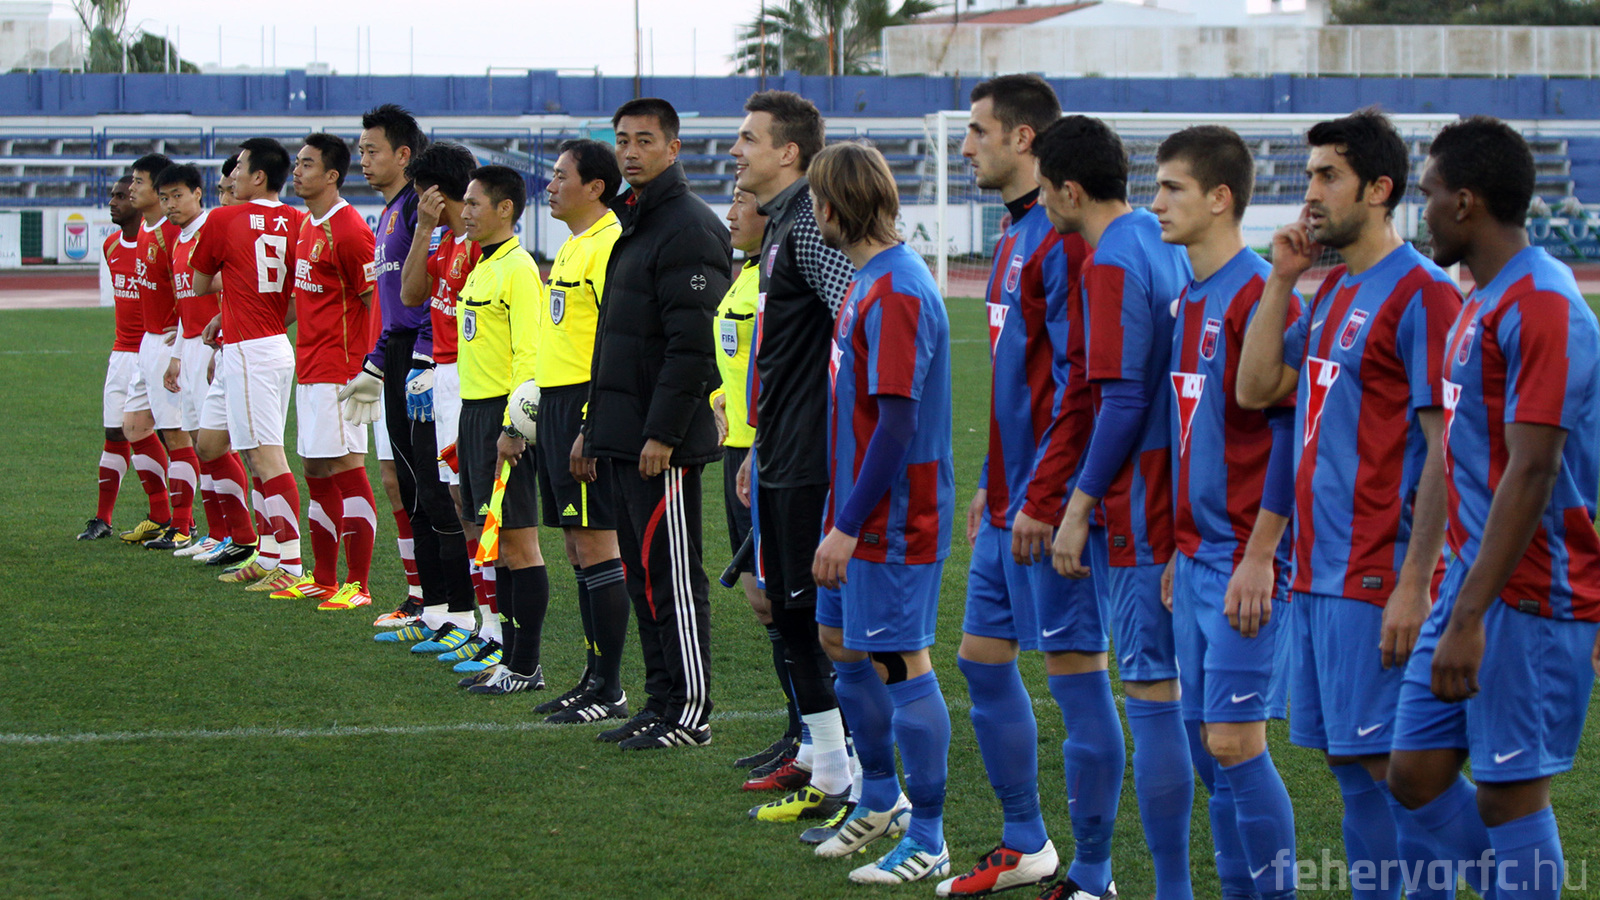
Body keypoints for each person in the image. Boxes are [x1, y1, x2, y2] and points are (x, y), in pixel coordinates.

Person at [1236, 108, 1462, 900]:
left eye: (1328, 176)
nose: (1310, 193)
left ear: (1378, 189)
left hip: (1378, 573)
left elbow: (1446, 448)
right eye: (1309, 176)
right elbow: (1257, 389)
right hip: (1319, 574)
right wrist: (1280, 279)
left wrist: (1415, 580)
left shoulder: (1424, 294)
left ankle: (1516, 877)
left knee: (1402, 772)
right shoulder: (1331, 290)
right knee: (1352, 767)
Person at [1385, 115, 1600, 900]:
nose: (1423, 211)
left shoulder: (1543, 303)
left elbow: (1534, 470)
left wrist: (1470, 617)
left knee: (1510, 798)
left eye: (1430, 194)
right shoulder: (1483, 298)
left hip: (1530, 591)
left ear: (1466, 202)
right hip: (1470, 583)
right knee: (1414, 774)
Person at [938, 75, 1118, 900]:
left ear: (1022, 139)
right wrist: (991, 482)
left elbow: (1084, 385)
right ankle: (1025, 843)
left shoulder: (1067, 241)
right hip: (1009, 501)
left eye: (977, 130)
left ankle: (1095, 876)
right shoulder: (1015, 236)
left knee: (1076, 677)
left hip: (1052, 506)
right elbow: (1016, 382)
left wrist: (1047, 499)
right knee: (981, 661)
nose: (965, 146)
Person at [1037, 114, 1197, 900]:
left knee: (1154, 697)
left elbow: (1122, 400)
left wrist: (1078, 507)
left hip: (1139, 506)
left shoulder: (1110, 260)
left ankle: (1169, 887)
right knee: (1167, 695)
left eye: (1045, 189)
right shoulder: (1159, 244)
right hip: (1174, 491)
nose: (1041, 203)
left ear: (1070, 190)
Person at [1152, 125, 1299, 900]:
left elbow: (1292, 438)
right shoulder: (1190, 296)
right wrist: (1181, 545)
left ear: (1219, 198)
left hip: (1247, 559)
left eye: (1171, 187)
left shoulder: (1259, 295)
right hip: (1198, 557)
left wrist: (1260, 554)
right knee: (1209, 751)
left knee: (1238, 744)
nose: (1156, 202)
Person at [807, 141, 955, 886]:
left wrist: (848, 524)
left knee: (901, 660)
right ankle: (881, 798)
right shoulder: (867, 280)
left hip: (893, 517)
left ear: (834, 207)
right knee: (839, 640)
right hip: (857, 504)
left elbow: (897, 424)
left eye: (815, 202)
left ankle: (929, 836)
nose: (813, 214)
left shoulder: (897, 288)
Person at [576, 97, 728, 750]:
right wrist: (595, 426)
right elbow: (616, 341)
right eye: (622, 140)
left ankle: (690, 713)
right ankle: (660, 702)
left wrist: (663, 432)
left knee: (673, 577)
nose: (630, 151)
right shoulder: (636, 222)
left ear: (673, 148)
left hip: (659, 443)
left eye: (644, 140)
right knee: (643, 576)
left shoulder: (688, 226)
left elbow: (693, 347)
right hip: (626, 434)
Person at [731, 89, 860, 815]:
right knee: (784, 608)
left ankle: (839, 772)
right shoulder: (781, 221)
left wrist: (819, 427)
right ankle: (818, 755)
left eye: (749, 139)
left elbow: (858, 315)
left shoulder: (809, 223)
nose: (735, 150)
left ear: (788, 152)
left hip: (810, 456)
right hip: (780, 446)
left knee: (803, 613)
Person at [342, 104, 476, 634]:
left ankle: (457, 610)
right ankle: (431, 603)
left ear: (403, 155)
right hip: (400, 353)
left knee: (436, 488)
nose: (363, 159)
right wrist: (378, 361)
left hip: (426, 357)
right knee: (412, 484)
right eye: (360, 150)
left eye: (371, 150)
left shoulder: (428, 215)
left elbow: (428, 303)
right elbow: (403, 298)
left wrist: (414, 356)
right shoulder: (394, 214)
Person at [527, 139, 631, 725]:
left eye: (561, 176)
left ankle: (609, 687)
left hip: (587, 407)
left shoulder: (609, 244)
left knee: (596, 543)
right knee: (575, 544)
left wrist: (591, 423)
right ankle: (593, 679)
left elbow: (614, 343)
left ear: (595, 187)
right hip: (557, 405)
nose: (550, 185)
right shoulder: (573, 245)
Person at [397, 141, 498, 672]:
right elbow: (412, 295)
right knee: (456, 505)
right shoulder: (447, 241)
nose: (416, 202)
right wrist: (422, 231)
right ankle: (471, 621)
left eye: (420, 194)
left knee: (479, 509)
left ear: (436, 192)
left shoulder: (483, 249)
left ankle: (494, 630)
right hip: (444, 378)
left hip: (471, 381)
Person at [189, 137, 308, 592]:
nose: (231, 175)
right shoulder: (296, 220)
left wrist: (235, 281)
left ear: (258, 176)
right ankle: (269, 552)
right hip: (268, 343)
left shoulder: (223, 218)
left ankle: (290, 562)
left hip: (250, 351)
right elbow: (294, 291)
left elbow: (200, 283)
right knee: (222, 445)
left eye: (238, 167)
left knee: (266, 456)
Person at [451, 165, 550, 696]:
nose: (464, 212)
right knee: (495, 543)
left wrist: (513, 425)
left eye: (473, 203)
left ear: (505, 208)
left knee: (517, 544)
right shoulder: (482, 266)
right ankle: (510, 661)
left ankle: (526, 667)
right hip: (475, 415)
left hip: (502, 417)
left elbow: (529, 356)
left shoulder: (518, 270)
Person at [712, 189, 801, 773]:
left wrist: (761, 437)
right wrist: (720, 398)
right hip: (737, 452)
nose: (730, 213)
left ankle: (819, 736)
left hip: (769, 453)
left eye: (742, 202)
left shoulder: (779, 276)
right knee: (761, 600)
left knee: (785, 601)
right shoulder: (744, 275)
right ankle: (800, 730)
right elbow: (739, 361)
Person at [271, 133, 378, 611]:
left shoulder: (349, 229)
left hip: (341, 369)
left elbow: (374, 302)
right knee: (315, 468)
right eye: (297, 163)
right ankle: (324, 578)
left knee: (347, 468)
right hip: (310, 366)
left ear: (332, 175)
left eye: (307, 164)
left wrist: (370, 368)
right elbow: (303, 295)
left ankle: (358, 585)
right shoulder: (305, 227)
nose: (297, 171)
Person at [155, 163, 250, 563]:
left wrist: (217, 348)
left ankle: (242, 535)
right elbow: (184, 305)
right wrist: (177, 356)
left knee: (219, 445)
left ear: (197, 193)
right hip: (192, 347)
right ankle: (217, 533)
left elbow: (231, 292)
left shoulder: (214, 229)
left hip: (215, 348)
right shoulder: (178, 240)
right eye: (164, 198)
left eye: (178, 196)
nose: (171, 205)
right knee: (200, 444)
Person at [187, 153, 262, 571]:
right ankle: (241, 537)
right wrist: (223, 326)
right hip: (229, 347)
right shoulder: (228, 226)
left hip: (256, 352)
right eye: (221, 190)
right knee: (210, 444)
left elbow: (281, 298)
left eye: (230, 188)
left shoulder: (257, 228)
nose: (224, 197)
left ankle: (267, 548)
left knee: (260, 456)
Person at [124, 152, 199, 550]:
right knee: (135, 426)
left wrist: (180, 343)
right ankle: (160, 515)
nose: (131, 188)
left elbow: (190, 290)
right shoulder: (146, 228)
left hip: (171, 343)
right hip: (148, 342)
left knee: (176, 434)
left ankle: (184, 525)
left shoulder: (172, 234)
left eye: (139, 181)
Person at [80, 176, 153, 541]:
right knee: (114, 432)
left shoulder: (155, 244)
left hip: (153, 349)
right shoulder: (110, 245)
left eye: (121, 196)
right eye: (112, 195)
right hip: (121, 352)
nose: (113, 202)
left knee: (166, 436)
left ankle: (174, 518)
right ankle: (102, 519)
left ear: (137, 201)